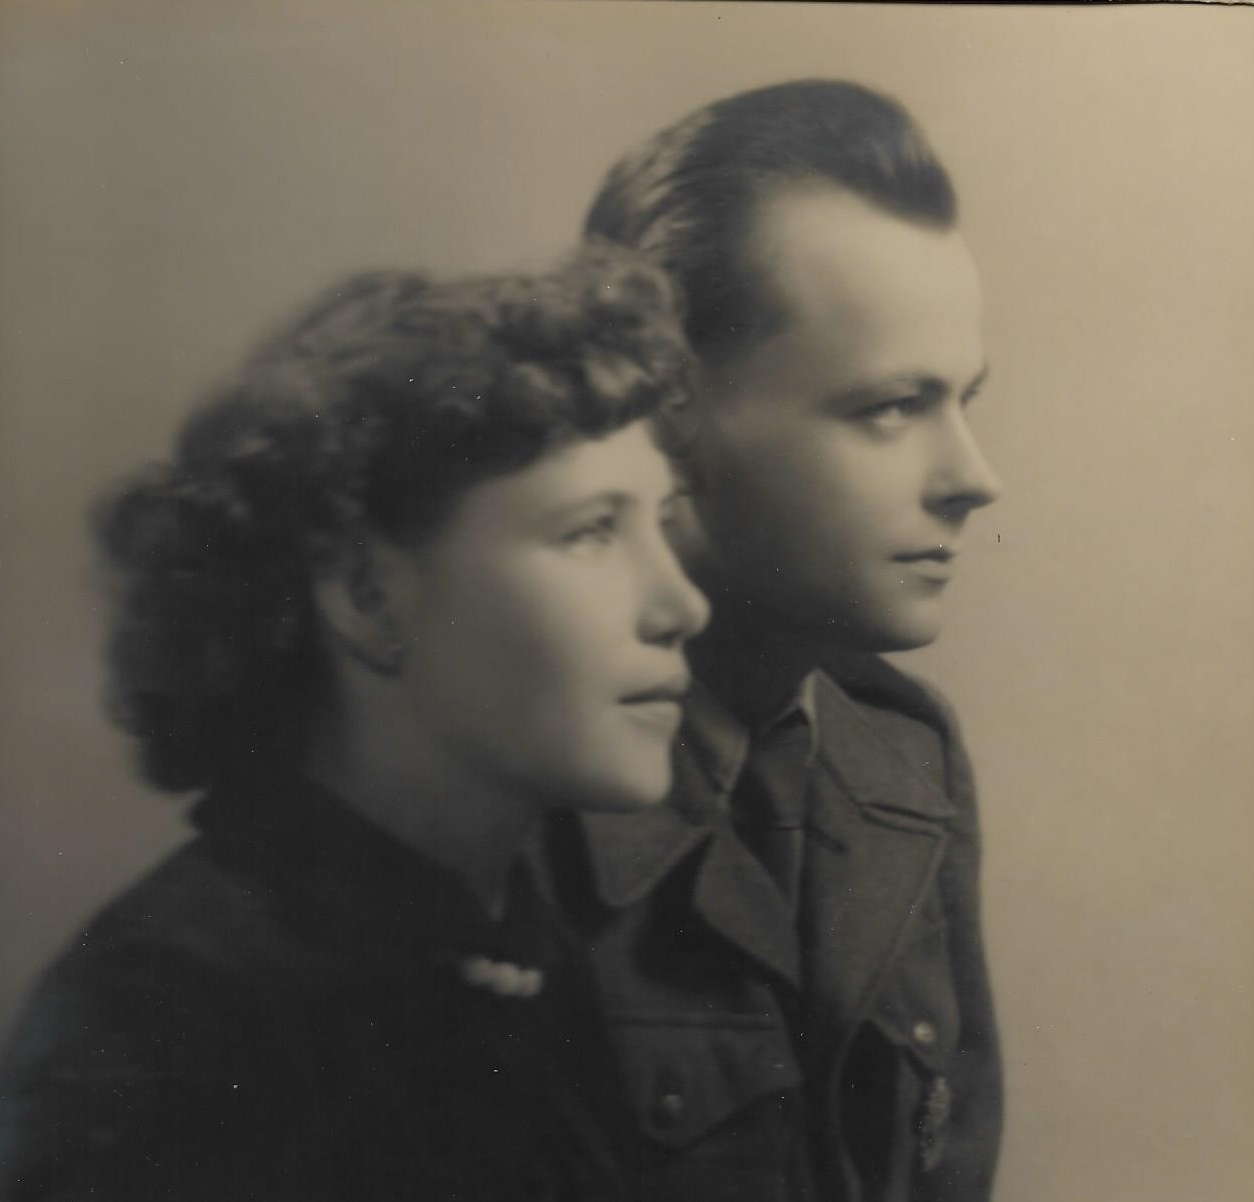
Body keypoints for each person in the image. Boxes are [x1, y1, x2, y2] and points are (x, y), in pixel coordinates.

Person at [0, 245, 710, 1201]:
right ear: (367, 596)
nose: (682, 605)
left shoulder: (521, 949)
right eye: (590, 532)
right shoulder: (164, 1019)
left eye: (664, 524)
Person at [532, 80, 1005, 1201]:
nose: (973, 478)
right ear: (665, 417)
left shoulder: (901, 753)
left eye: (966, 400)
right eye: (891, 407)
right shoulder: (502, 787)